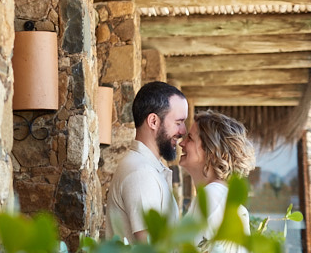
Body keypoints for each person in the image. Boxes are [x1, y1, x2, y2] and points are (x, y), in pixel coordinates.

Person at [106, 81, 189, 242]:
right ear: (153, 121)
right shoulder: (141, 174)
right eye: (178, 123)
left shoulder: (146, 167)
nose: (183, 131)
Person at [179, 110, 256, 250]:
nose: (182, 143)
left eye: (190, 138)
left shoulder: (212, 197)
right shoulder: (220, 197)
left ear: (211, 152)